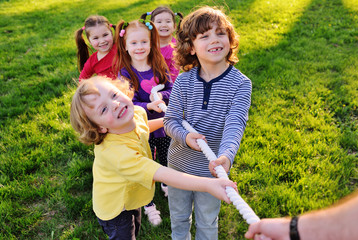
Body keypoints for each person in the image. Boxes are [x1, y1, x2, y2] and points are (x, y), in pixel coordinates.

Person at [69, 76, 238, 240]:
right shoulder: (118, 154)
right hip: (114, 208)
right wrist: (209, 184)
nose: (115, 104)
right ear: (99, 128)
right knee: (124, 233)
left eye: (114, 95)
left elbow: (143, 128)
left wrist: (175, 126)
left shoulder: (136, 113)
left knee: (135, 224)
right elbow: (164, 174)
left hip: (131, 196)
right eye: (103, 109)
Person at [164, 6, 252, 240]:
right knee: (179, 218)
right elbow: (170, 120)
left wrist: (226, 156)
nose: (215, 40)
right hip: (179, 167)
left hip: (212, 171)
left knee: (207, 222)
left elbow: (235, 124)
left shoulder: (241, 84)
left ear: (230, 40)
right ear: (191, 48)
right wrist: (184, 136)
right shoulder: (183, 81)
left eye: (221, 33)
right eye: (205, 36)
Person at [114, 19, 173, 226]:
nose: (139, 47)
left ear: (151, 42)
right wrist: (149, 105)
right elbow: (128, 102)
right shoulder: (125, 73)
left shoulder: (158, 64)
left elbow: (169, 87)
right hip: (141, 127)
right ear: (125, 46)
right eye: (134, 43)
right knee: (145, 161)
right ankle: (147, 202)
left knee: (165, 155)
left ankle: (166, 182)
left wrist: (161, 97)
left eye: (144, 42)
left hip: (163, 123)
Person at [140, 6, 183, 82]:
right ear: (152, 26)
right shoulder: (147, 44)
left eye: (168, 21)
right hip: (145, 79)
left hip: (167, 84)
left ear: (174, 26)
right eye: (159, 22)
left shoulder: (176, 47)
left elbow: (174, 74)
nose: (164, 25)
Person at [75, 15, 117, 81]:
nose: (102, 41)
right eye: (96, 38)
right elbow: (82, 81)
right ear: (89, 41)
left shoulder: (121, 47)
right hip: (111, 90)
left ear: (111, 33)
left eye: (105, 35)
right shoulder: (92, 62)